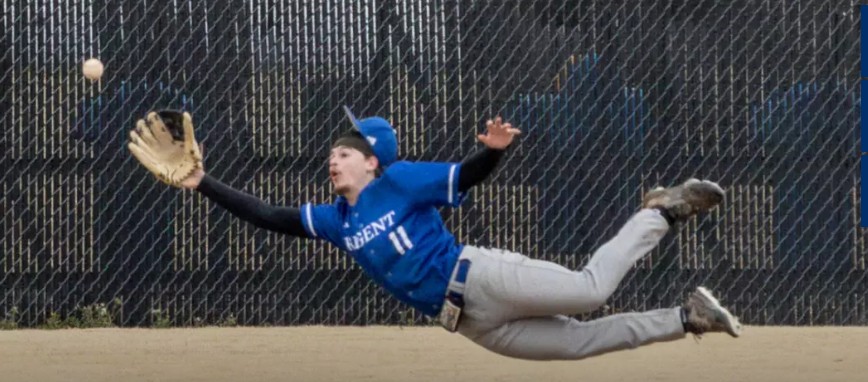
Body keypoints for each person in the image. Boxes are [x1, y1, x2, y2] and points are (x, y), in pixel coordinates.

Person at [131, 107, 742, 361]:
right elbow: (268, 215)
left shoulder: (400, 183)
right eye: (333, 154)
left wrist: (492, 153)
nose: (332, 159)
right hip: (470, 323)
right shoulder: (338, 220)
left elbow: (465, 175)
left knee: (589, 290)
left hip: (480, 278)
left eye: (344, 152)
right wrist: (201, 182)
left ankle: (659, 211)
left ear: (373, 161)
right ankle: (687, 317)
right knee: (579, 344)